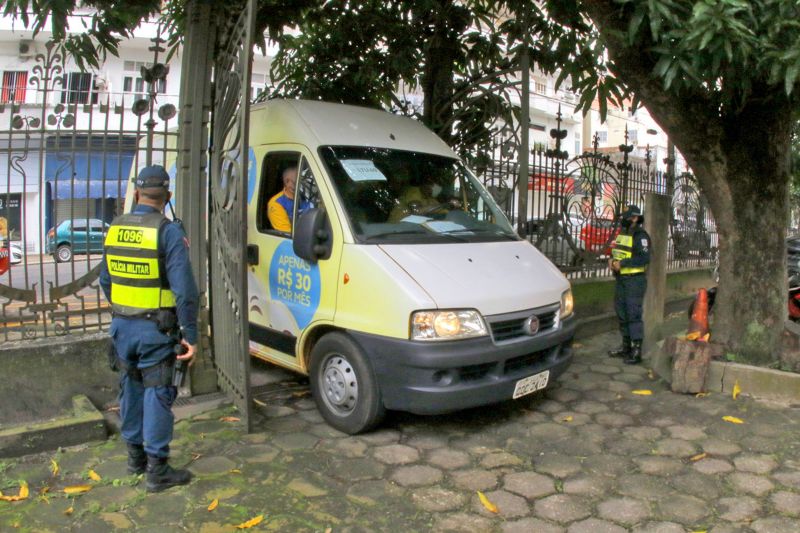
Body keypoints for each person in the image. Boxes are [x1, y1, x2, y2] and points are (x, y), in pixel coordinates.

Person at [99, 165, 198, 492]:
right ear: (168, 196)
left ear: (137, 193)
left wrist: (125, 309)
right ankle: (157, 470)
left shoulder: (115, 227)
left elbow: (105, 280)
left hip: (122, 328)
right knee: (157, 393)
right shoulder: (167, 232)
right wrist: (191, 336)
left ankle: (135, 460)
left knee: (130, 387)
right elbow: (185, 291)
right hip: (156, 330)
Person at [608, 204, 651, 365]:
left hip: (634, 280)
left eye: (626, 217)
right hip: (621, 280)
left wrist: (623, 264)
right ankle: (625, 347)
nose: (622, 220)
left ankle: (636, 350)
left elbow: (644, 258)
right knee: (622, 313)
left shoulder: (641, 236)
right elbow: (618, 253)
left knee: (633, 315)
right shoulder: (624, 234)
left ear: (634, 218)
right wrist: (612, 261)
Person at [268, 166, 301, 232]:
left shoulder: (308, 195)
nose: (299, 185)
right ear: (286, 181)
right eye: (295, 182)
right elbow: (287, 235)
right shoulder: (276, 203)